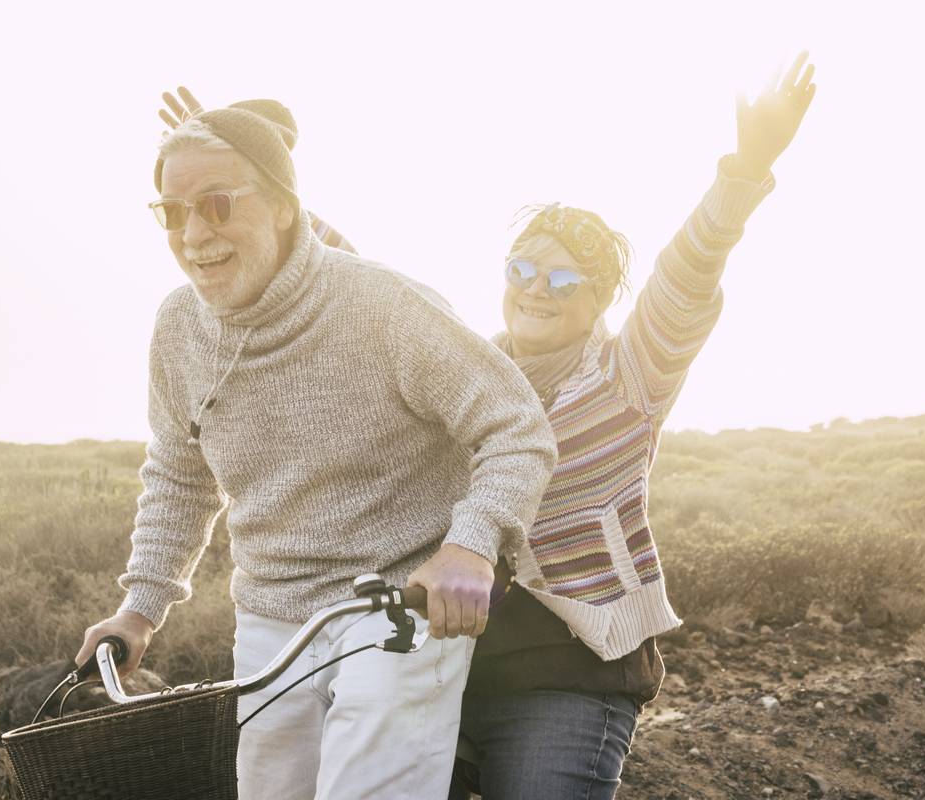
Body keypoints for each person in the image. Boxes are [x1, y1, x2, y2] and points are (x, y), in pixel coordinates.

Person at [163, 52, 816, 798]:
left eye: (564, 278)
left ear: (600, 297)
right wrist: (233, 171)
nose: (536, 289)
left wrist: (743, 173)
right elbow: (344, 276)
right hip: (442, 654)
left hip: (565, 677)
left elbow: (686, 276)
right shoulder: (464, 364)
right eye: (522, 270)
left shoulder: (629, 375)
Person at [75, 98, 558, 799]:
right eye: (171, 212)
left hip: (398, 607)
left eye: (214, 204)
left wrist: (472, 545)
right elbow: (180, 474)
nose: (191, 233)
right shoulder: (178, 327)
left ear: (279, 205)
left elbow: (516, 427)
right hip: (271, 617)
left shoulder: (384, 306)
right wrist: (139, 608)